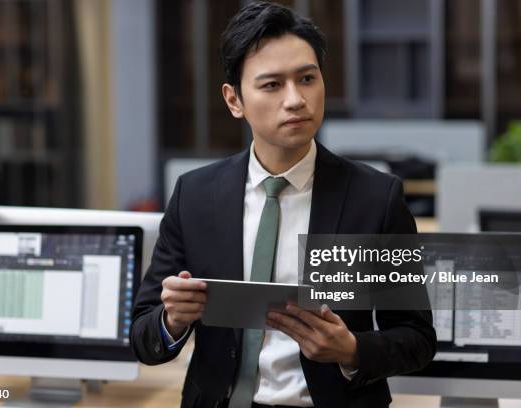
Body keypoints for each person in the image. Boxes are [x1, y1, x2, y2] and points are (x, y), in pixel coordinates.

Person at [130, 2, 436, 407]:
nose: (295, 99)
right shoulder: (196, 195)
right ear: (234, 100)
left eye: (307, 79)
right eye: (272, 85)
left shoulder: (375, 198)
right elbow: (144, 338)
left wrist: (351, 350)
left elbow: (416, 339)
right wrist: (172, 320)